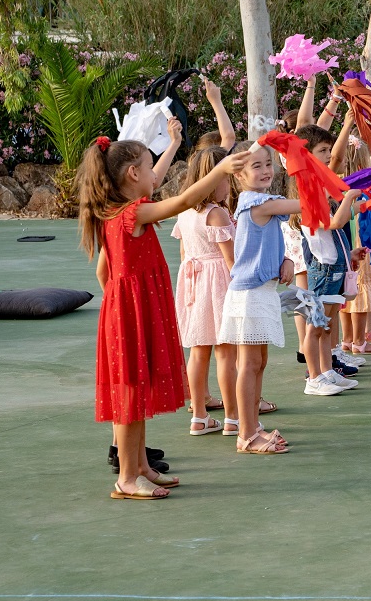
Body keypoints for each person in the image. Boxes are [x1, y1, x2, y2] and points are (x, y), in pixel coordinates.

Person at [79, 137, 246, 498]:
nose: (156, 175)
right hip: (130, 314)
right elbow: (185, 200)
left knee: (136, 392)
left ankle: (140, 466)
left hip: (128, 311)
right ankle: (126, 477)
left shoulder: (113, 214)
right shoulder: (132, 213)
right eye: (150, 165)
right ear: (133, 172)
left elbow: (103, 274)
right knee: (128, 395)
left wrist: (122, 302)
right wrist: (219, 168)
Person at [220, 142, 300, 455]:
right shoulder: (257, 202)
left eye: (268, 164)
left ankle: (253, 426)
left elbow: (275, 240)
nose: (266, 170)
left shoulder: (262, 203)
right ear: (238, 175)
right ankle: (246, 434)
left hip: (263, 291)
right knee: (249, 364)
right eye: (256, 166)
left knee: (258, 363)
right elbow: (303, 205)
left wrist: (287, 259)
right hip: (249, 294)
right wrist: (334, 186)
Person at [295, 124, 365, 397]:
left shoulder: (320, 185)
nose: (329, 155)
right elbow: (335, 222)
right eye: (322, 150)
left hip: (334, 265)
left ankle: (326, 372)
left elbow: (333, 230)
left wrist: (350, 255)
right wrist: (349, 196)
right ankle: (314, 378)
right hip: (323, 270)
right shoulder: (309, 187)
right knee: (315, 328)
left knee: (326, 326)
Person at [172, 147, 237, 437]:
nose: (230, 185)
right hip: (219, 283)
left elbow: (185, 252)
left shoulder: (184, 212)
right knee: (226, 353)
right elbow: (231, 261)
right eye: (226, 179)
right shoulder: (216, 214)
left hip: (193, 282)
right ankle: (233, 418)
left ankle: (198, 416)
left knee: (198, 352)